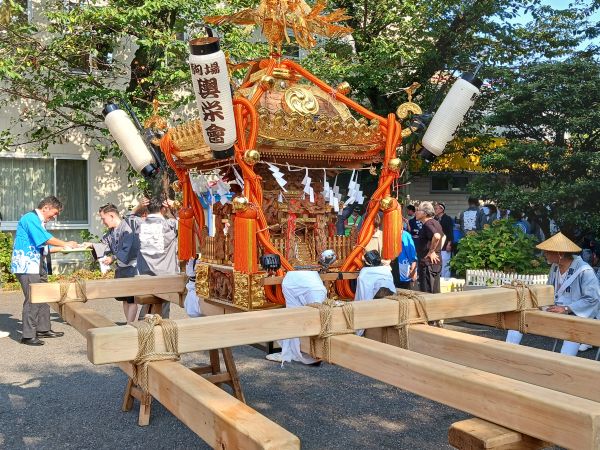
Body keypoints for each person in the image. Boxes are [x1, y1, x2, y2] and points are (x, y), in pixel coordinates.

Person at [506, 232, 600, 355]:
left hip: (575, 314)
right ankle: (508, 351)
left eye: (548, 251)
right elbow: (549, 290)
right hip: (553, 309)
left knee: (574, 331)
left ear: (560, 254)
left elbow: (593, 299)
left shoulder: (585, 271)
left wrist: (566, 308)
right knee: (522, 316)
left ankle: (564, 363)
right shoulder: (555, 267)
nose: (545, 254)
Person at [11, 196, 79, 346]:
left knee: (44, 296)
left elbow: (43, 247)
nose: (54, 217)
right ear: (46, 208)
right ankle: (28, 336)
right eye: (54, 213)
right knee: (33, 298)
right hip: (27, 266)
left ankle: (43, 328)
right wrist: (65, 243)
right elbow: (44, 239)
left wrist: (62, 248)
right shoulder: (30, 218)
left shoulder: (38, 221)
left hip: (37, 264)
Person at [265, 251, 332, 365]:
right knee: (313, 318)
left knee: (296, 317)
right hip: (304, 281)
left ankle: (301, 351)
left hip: (294, 280)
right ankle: (309, 351)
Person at [96, 203, 140, 323]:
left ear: (111, 215)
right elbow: (103, 245)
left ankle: (130, 325)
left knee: (132, 299)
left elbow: (128, 248)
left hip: (132, 267)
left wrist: (113, 257)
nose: (103, 222)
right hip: (121, 268)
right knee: (124, 299)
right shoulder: (111, 232)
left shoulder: (127, 227)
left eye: (103, 219)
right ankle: (128, 323)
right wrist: (90, 245)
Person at [137, 197, 179, 319]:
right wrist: (175, 206)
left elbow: (128, 219)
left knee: (148, 303)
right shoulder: (169, 224)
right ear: (163, 209)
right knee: (163, 306)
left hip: (145, 273)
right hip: (165, 274)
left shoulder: (139, 224)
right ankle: (158, 327)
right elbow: (188, 222)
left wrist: (138, 207)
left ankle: (142, 323)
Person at [415, 201, 445, 294]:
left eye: (418, 210)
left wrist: (432, 251)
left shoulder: (428, 223)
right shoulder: (436, 222)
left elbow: (437, 236)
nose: (416, 212)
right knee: (435, 292)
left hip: (428, 264)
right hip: (435, 263)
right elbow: (444, 236)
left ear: (425, 213)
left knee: (427, 294)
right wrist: (437, 250)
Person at [434, 203, 454, 278]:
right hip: (437, 245)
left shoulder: (447, 218)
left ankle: (446, 278)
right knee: (437, 263)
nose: (435, 210)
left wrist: (449, 244)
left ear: (441, 209)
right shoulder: (435, 219)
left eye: (436, 208)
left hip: (445, 244)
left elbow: (450, 232)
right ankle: (438, 279)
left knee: (445, 262)